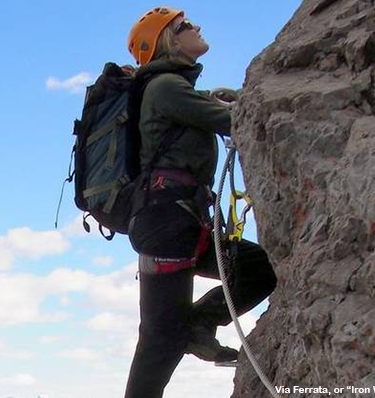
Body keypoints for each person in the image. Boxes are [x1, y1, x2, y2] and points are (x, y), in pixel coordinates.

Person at [122, 7, 277, 398]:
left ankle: (198, 324)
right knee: (161, 338)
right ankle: (195, 326)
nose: (197, 27)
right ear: (168, 40)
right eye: (185, 25)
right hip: (169, 223)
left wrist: (217, 98)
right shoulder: (166, 88)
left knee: (255, 268)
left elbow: (214, 113)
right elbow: (236, 121)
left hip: (173, 223)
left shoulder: (171, 89)